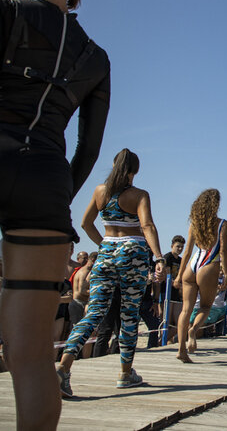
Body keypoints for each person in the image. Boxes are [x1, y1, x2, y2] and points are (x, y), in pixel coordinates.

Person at [0, 0, 110, 429]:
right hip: (47, 175)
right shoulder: (96, 56)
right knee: (31, 357)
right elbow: (89, 150)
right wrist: (56, 198)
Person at [56, 148, 165, 397]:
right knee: (129, 315)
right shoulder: (139, 195)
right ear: (134, 171)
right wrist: (158, 257)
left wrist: (103, 244)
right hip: (134, 254)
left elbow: (85, 223)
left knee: (94, 313)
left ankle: (63, 368)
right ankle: (126, 373)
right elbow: (147, 225)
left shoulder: (100, 191)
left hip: (106, 253)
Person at [176, 189, 227, 362]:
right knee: (206, 307)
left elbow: (187, 251)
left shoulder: (194, 224)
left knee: (185, 310)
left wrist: (178, 276)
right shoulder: (222, 224)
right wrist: (226, 273)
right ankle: (193, 330)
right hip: (209, 264)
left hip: (192, 264)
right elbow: (222, 250)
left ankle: (181, 349)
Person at [162, 235, 185, 343]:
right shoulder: (167, 257)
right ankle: (162, 341)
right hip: (166, 291)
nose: (180, 249)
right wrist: (174, 283)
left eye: (181, 247)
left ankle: (164, 341)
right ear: (172, 246)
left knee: (177, 323)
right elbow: (166, 275)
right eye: (178, 246)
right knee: (167, 321)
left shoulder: (181, 260)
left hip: (177, 293)